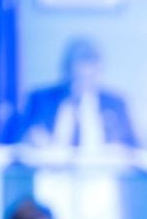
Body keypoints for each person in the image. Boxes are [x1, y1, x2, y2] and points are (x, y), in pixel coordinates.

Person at [8, 38, 137, 151]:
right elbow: (15, 139)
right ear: (66, 72)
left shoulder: (116, 104)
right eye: (77, 77)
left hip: (103, 170)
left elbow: (134, 147)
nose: (80, 85)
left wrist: (118, 148)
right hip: (50, 168)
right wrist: (29, 138)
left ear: (98, 73)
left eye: (87, 79)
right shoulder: (40, 99)